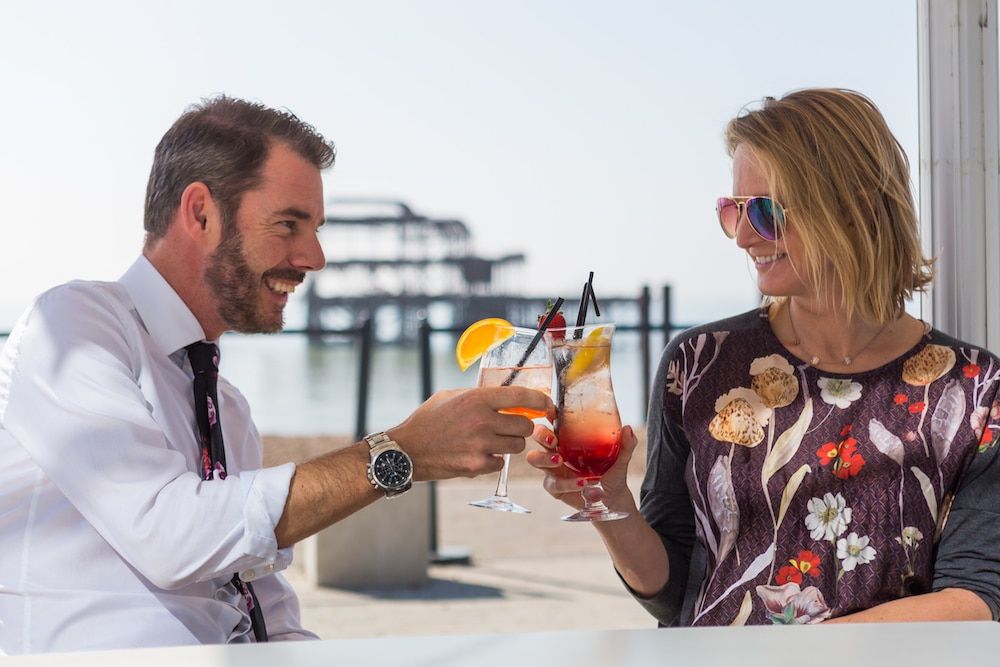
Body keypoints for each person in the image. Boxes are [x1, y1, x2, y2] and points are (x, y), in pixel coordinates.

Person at [0, 96, 553, 654]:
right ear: (200, 214)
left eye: (315, 229)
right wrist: (399, 453)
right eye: (288, 225)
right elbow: (167, 535)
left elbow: (264, 605)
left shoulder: (226, 407)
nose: (315, 257)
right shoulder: (71, 325)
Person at [529, 88, 1000, 625]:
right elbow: (676, 592)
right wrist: (610, 501)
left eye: (766, 211)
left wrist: (784, 657)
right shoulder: (699, 365)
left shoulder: (976, 389)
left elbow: (979, 599)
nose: (744, 236)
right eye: (732, 210)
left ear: (857, 207)